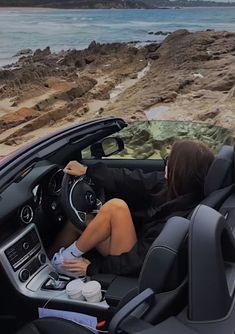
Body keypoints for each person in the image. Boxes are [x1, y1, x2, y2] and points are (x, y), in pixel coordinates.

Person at [51, 139, 214, 278]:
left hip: (135, 263)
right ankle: (49, 262)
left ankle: (65, 259)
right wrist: (88, 171)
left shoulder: (180, 215)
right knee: (80, 219)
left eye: (170, 160)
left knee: (116, 207)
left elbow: (142, 261)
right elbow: (132, 180)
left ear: (181, 169)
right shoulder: (174, 186)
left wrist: (92, 268)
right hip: (138, 248)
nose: (166, 162)